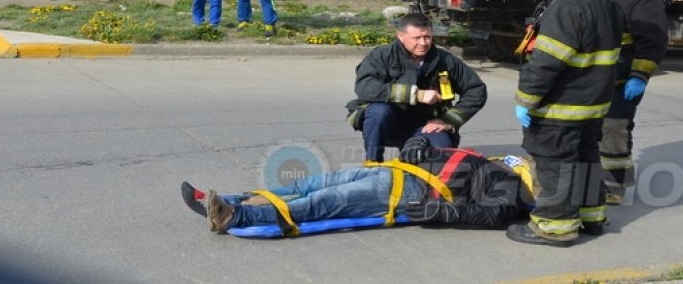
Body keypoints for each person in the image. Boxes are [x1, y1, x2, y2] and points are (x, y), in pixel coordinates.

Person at [507, 0, 623, 247]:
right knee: (586, 158)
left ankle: (554, 227)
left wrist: (526, 100)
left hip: (561, 105)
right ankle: (591, 217)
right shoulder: (607, 1)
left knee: (554, 164)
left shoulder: (568, 5)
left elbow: (547, 61)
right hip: (592, 104)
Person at [181, 138, 533, 235]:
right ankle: (228, 199)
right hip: (393, 171)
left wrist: (442, 211)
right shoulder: (490, 161)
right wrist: (418, 144)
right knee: (308, 185)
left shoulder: (511, 184)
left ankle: (233, 217)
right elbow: (435, 147)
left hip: (409, 193)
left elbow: (495, 214)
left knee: (321, 202)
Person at [345, 13, 487, 162]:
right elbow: (365, 86)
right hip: (390, 125)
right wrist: (416, 95)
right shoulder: (382, 56)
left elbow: (476, 90)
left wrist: (448, 120)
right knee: (377, 112)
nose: (423, 43)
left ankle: (416, 156)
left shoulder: (444, 60)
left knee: (439, 158)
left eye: (427, 37)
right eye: (417, 38)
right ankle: (373, 163)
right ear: (400, 36)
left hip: (425, 127)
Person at [596, 0, 668, 205]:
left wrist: (639, 76)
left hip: (622, 81)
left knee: (614, 131)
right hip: (592, 80)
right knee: (591, 133)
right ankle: (590, 182)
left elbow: (652, 44)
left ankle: (614, 188)